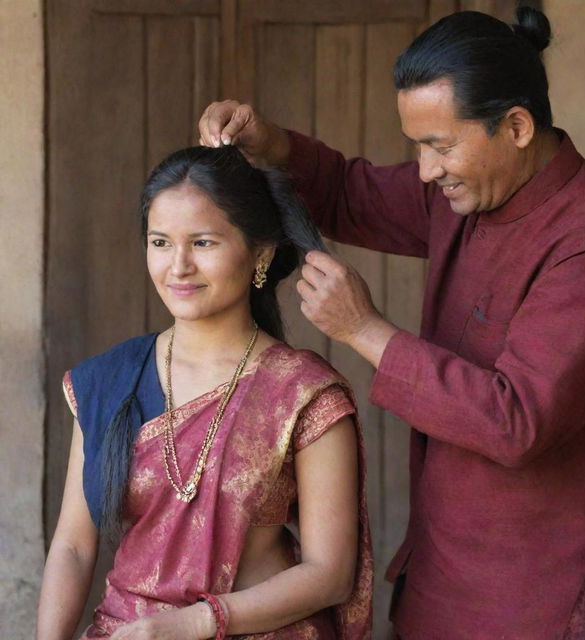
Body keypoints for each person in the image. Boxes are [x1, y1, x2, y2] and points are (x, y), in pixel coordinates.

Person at [198, 7, 585, 640]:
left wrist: (363, 329)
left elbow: (517, 422)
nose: (428, 170)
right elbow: (351, 194)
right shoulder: (469, 191)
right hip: (442, 568)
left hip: (540, 592)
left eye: (440, 145)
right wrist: (270, 145)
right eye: (418, 147)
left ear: (515, 126)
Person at [36, 146, 373, 639]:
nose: (178, 267)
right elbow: (73, 546)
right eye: (160, 242)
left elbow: (330, 573)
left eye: (203, 243)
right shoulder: (107, 380)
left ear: (261, 253)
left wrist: (193, 623)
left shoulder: (302, 392)